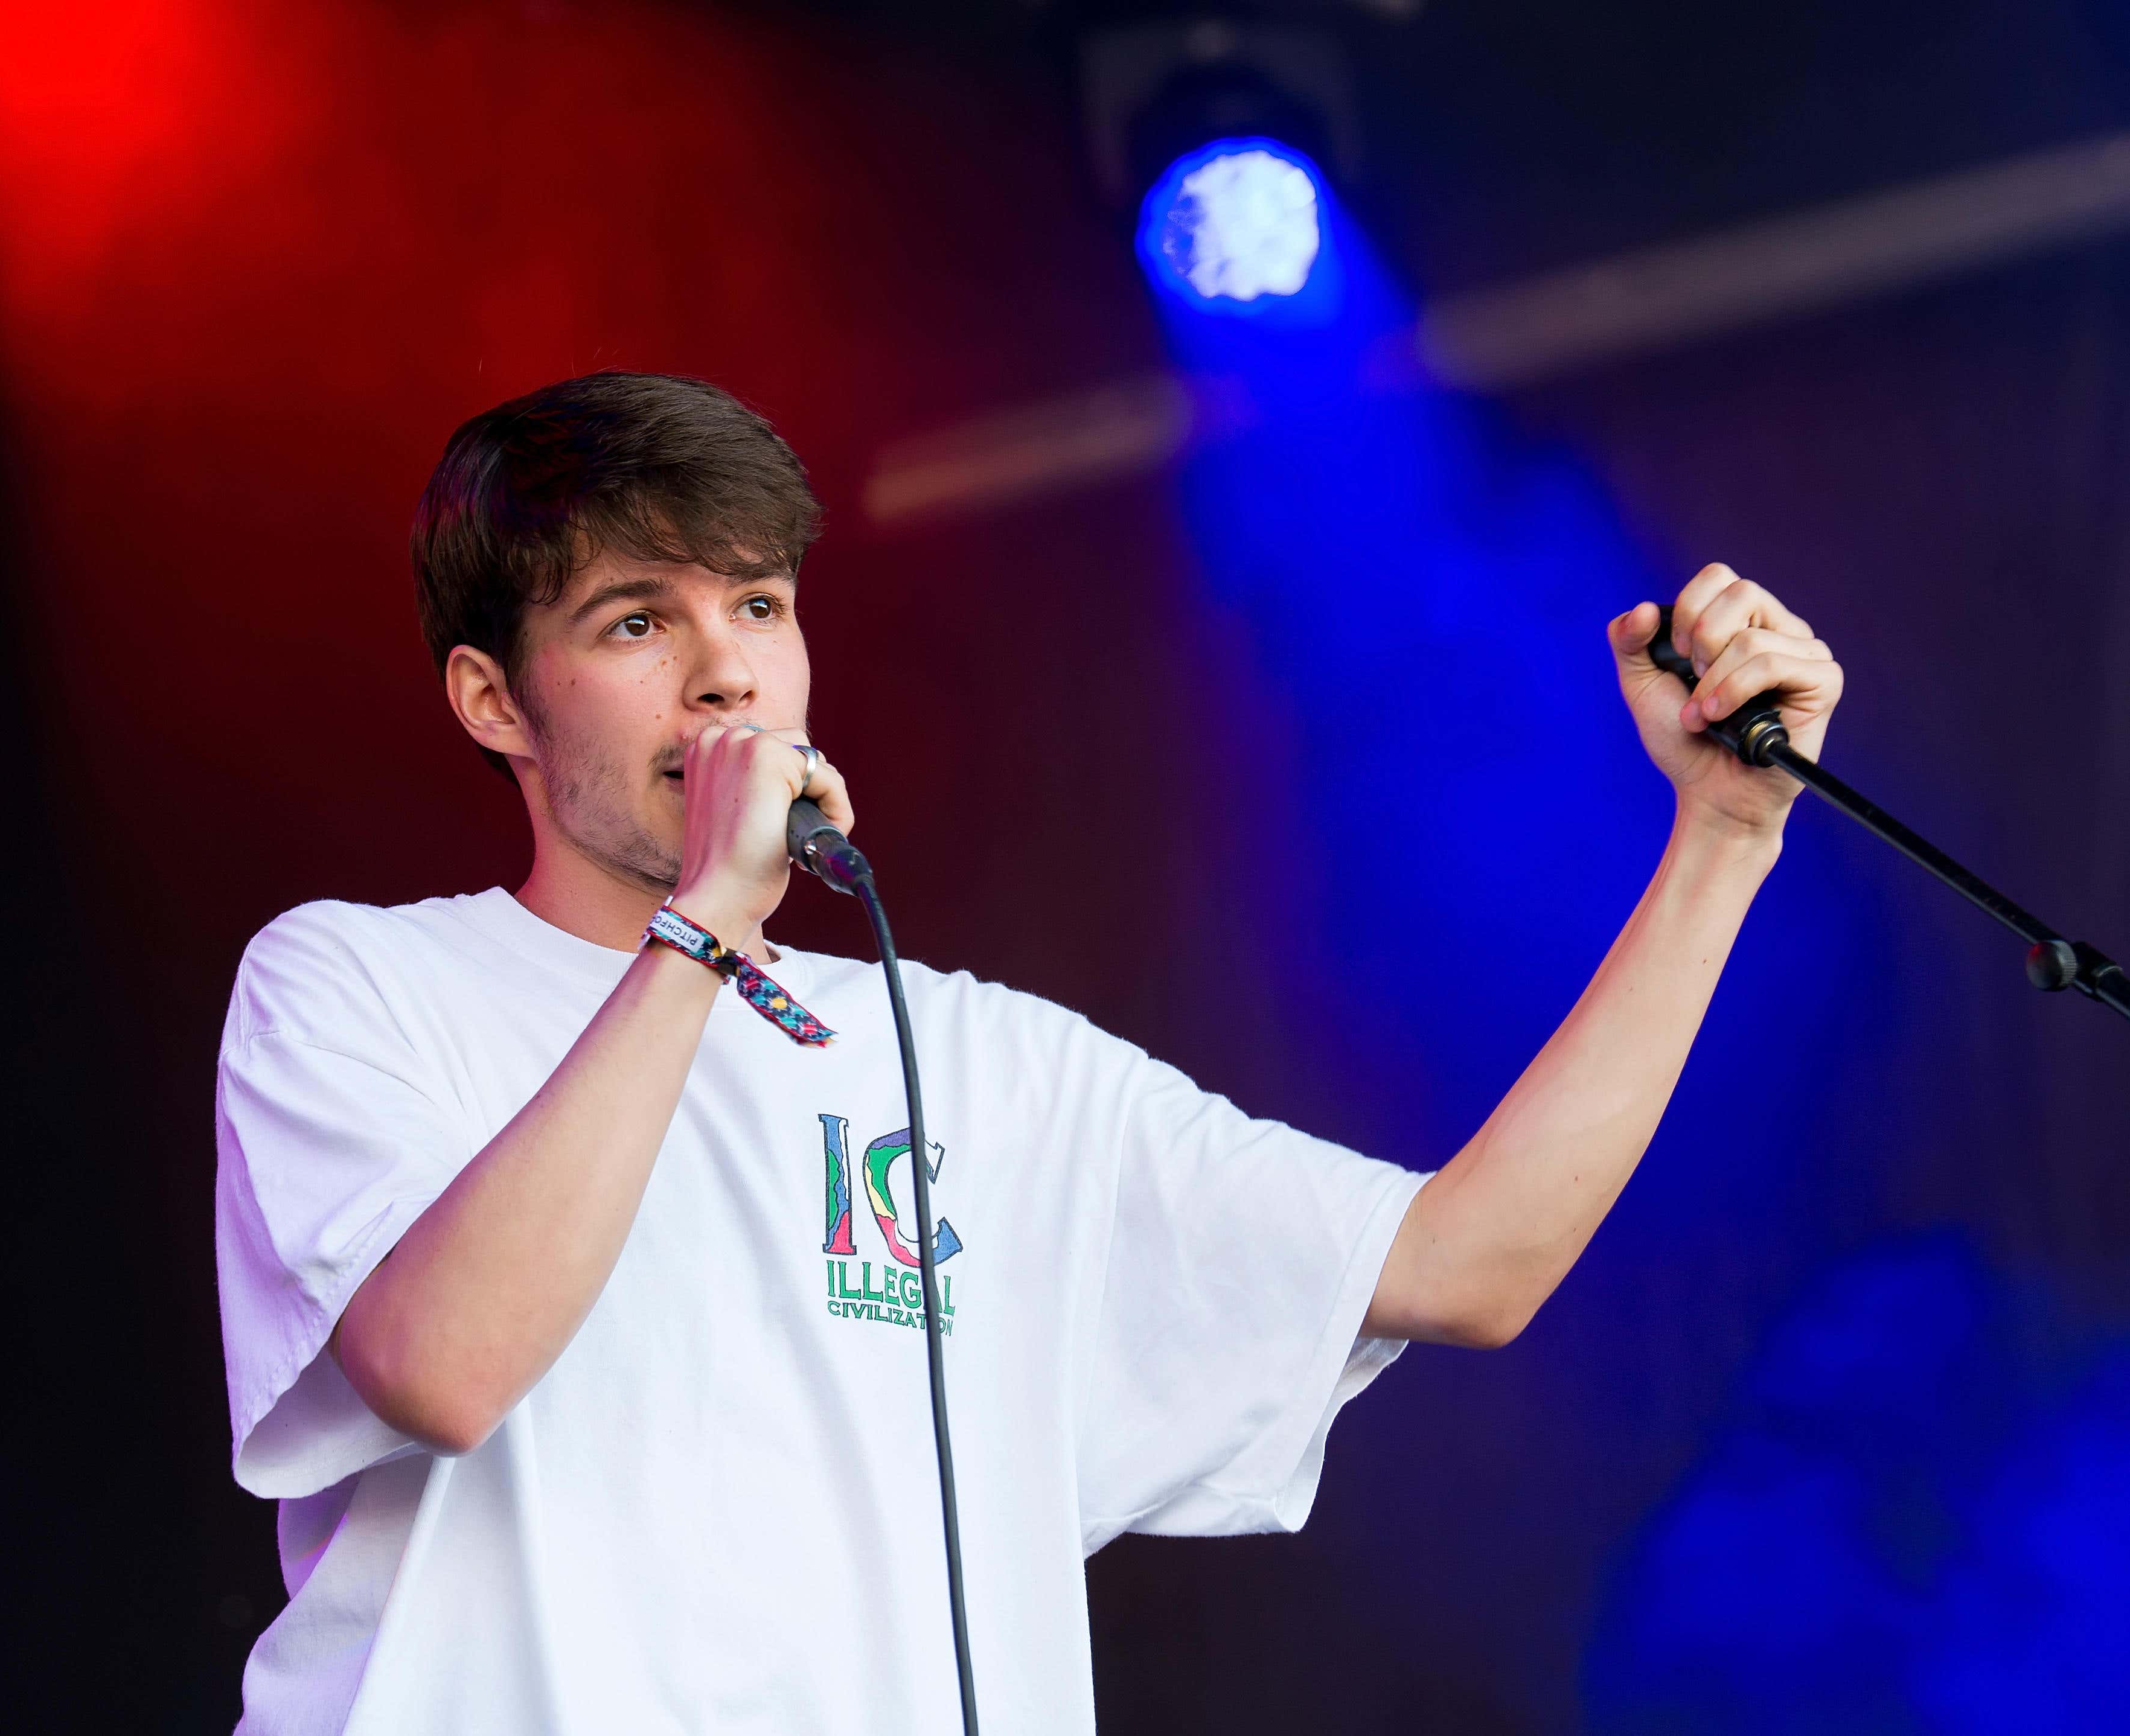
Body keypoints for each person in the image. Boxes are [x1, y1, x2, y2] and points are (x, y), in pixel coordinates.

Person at [211, 371, 1844, 1734]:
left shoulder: (978, 1062)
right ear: (495, 700)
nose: (726, 668)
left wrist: (1719, 841)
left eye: (759, 606)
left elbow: (1466, 1262)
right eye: (637, 619)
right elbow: (444, 1368)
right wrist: (708, 920)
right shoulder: (359, 983)